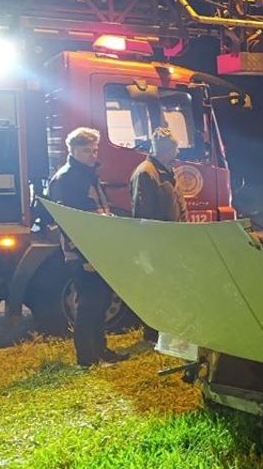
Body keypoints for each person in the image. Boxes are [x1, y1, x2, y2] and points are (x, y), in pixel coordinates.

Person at [47, 127, 125, 368]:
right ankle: (87, 358)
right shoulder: (67, 178)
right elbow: (69, 222)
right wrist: (83, 256)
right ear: (72, 150)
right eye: (86, 150)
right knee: (89, 304)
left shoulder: (87, 174)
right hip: (83, 254)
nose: (93, 155)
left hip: (98, 250)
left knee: (101, 302)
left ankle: (100, 350)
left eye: (94, 149)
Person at [131, 127, 187, 346]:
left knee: (168, 287)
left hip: (170, 241)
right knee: (157, 289)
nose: (179, 150)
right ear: (167, 149)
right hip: (158, 244)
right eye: (176, 146)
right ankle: (153, 333)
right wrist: (150, 247)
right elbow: (143, 214)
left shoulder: (163, 171)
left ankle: (164, 331)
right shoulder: (146, 173)